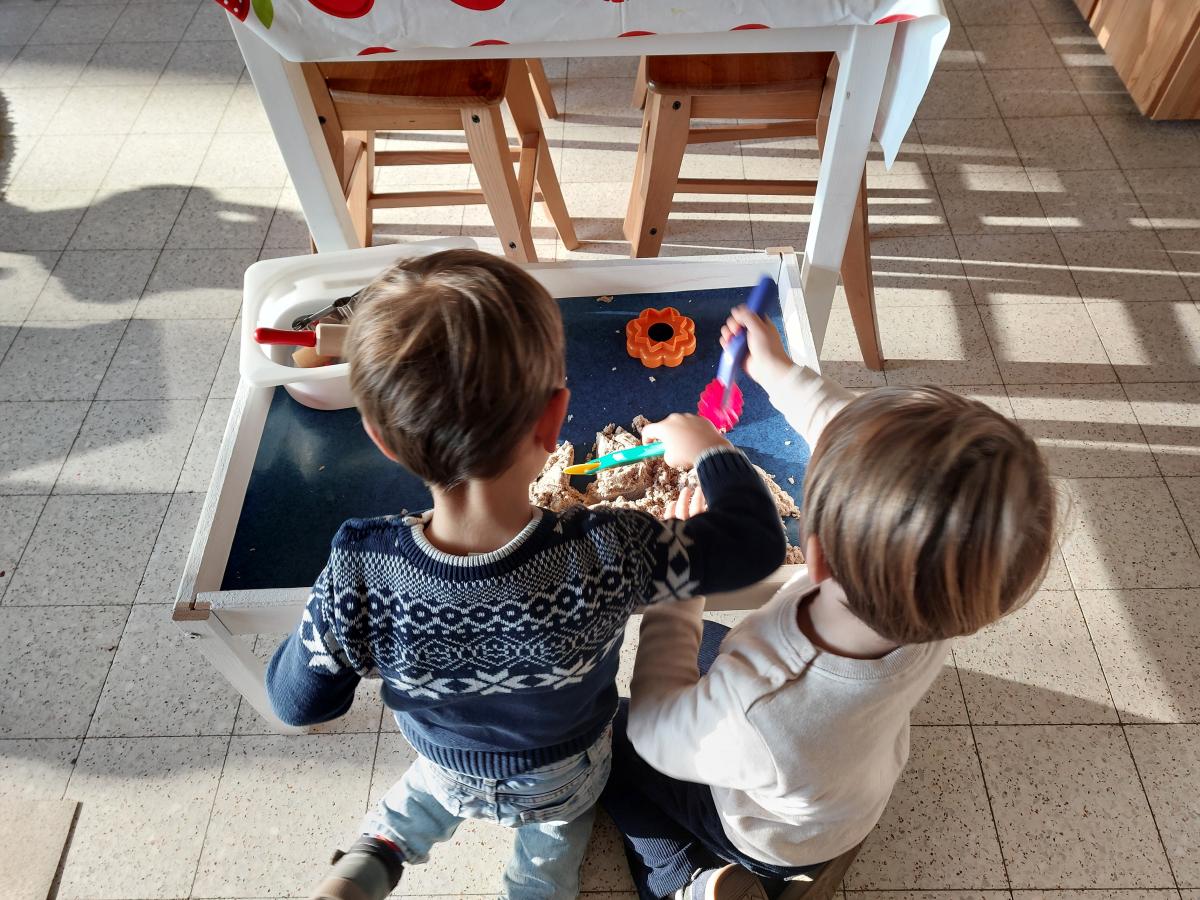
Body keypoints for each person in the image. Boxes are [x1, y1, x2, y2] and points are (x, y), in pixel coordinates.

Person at [264, 250, 788, 900]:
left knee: (419, 798)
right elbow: (754, 545)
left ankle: (364, 867)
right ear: (554, 417)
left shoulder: (361, 570)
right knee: (550, 852)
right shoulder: (608, 550)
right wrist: (712, 448)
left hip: (447, 764)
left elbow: (298, 704)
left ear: (381, 438)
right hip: (563, 772)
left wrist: (329, 622)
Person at [602, 305, 1056, 900]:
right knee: (710, 644)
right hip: (846, 794)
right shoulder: (942, 587)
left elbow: (656, 729)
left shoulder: (760, 701)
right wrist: (777, 371)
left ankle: (681, 881)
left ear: (812, 557)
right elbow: (867, 448)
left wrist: (679, 583)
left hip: (763, 829)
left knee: (608, 742)